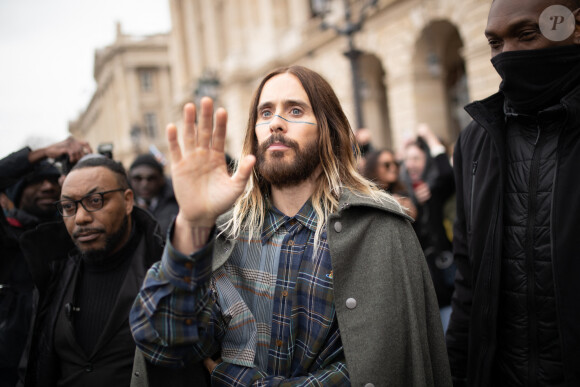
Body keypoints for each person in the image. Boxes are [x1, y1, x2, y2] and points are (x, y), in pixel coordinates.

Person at [130, 65, 451, 386]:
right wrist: (192, 224)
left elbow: (380, 367)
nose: (276, 124)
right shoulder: (228, 235)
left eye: (295, 110)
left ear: (328, 128)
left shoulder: (380, 227)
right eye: (265, 113)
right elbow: (165, 345)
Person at [447, 0, 580, 386]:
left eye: (525, 35)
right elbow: (469, 282)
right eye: (494, 43)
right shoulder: (476, 141)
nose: (507, 54)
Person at [20, 155, 177, 387]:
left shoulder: (166, 270)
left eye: (95, 201)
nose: (81, 218)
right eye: (68, 206)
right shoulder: (52, 274)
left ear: (127, 201)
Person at [0, 137, 90, 387]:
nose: (48, 187)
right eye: (36, 181)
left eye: (53, 180)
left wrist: (84, 171)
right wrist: (42, 153)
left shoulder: (72, 231)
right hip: (9, 356)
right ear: (15, 192)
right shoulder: (6, 232)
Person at [400, 125, 456, 332]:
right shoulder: (406, 192)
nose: (410, 164)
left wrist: (429, 137)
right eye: (408, 160)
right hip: (421, 286)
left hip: (445, 281)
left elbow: (446, 172)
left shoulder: (436, 188)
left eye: (416, 159)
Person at [129, 154, 179, 236]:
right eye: (138, 179)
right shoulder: (124, 207)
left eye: (151, 178)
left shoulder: (177, 203)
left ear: (161, 180)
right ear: (130, 180)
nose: (144, 185)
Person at [363, 148, 417, 219]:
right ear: (374, 168)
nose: (393, 168)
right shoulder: (367, 194)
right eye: (387, 165)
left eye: (395, 163)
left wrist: (410, 211)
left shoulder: (402, 192)